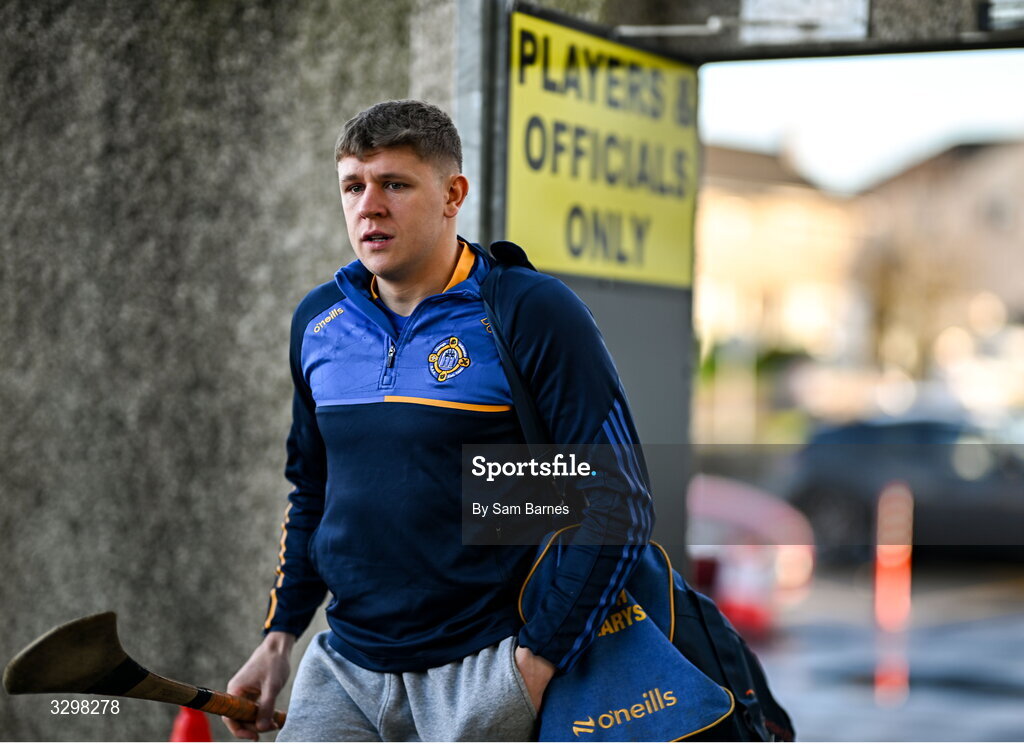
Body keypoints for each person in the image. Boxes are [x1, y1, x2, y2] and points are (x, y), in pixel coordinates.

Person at [222, 99, 653, 742]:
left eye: (395, 184)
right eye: (353, 186)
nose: (369, 205)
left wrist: (537, 663)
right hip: (345, 667)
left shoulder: (530, 311)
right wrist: (280, 637)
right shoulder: (318, 323)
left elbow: (616, 499)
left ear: (453, 194)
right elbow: (312, 491)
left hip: (486, 664)